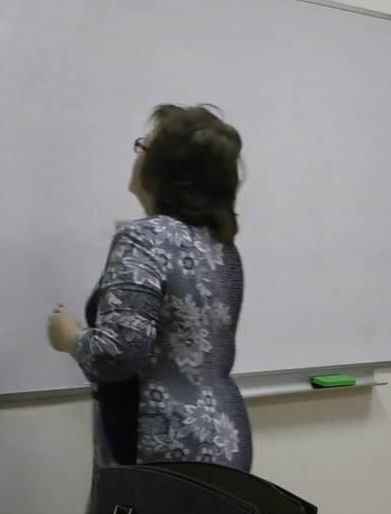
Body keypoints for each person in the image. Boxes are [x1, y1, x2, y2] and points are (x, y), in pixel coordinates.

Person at [46, 104, 252, 471]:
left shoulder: (145, 238)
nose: (137, 154)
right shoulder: (221, 246)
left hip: (161, 445)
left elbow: (119, 354)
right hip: (225, 438)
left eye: (145, 146)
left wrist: (70, 337)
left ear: (164, 169)